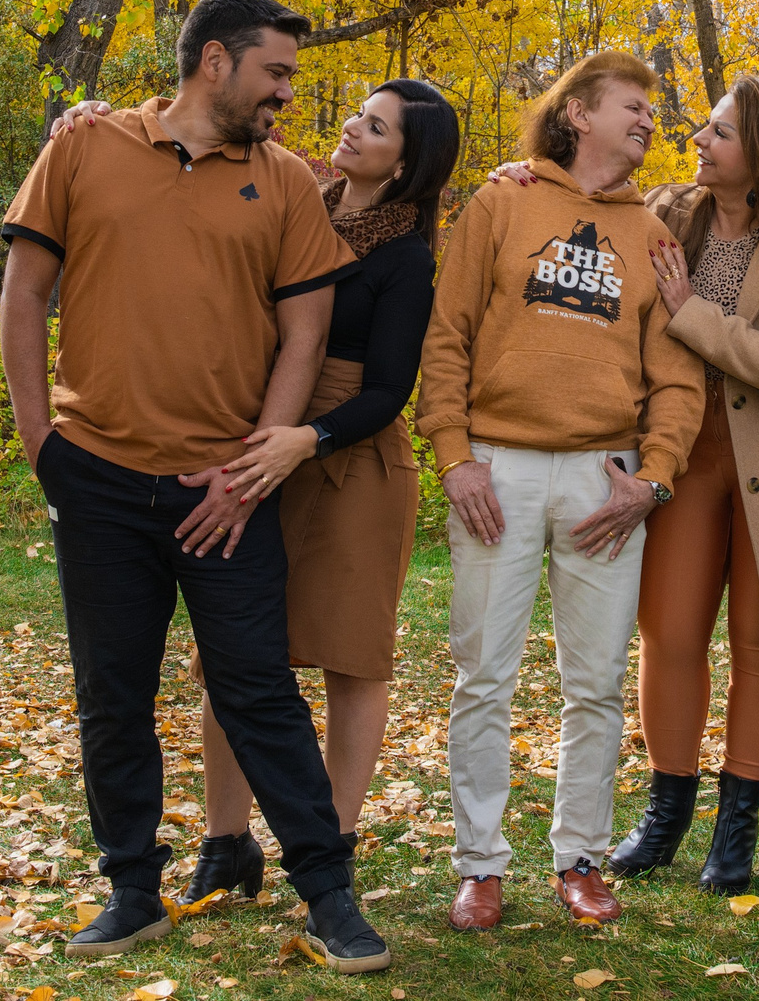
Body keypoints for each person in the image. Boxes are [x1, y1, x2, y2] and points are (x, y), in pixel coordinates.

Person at [0, 0, 390, 976]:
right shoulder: (84, 148)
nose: (287, 94)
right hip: (98, 478)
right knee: (113, 693)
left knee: (258, 690)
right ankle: (131, 888)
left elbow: (304, 329)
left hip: (226, 491)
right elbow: (25, 290)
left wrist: (258, 459)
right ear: (213, 61)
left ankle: (329, 895)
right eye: (276, 72)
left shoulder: (287, 183)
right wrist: (41, 438)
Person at [50, 79, 464, 904]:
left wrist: (305, 438)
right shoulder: (298, 195)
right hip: (250, 440)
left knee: (350, 657)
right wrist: (85, 120)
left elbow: (389, 389)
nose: (353, 124)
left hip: (346, 459)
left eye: (374, 125)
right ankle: (225, 838)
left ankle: (332, 845)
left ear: (406, 160)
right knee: (239, 653)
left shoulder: (407, 256)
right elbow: (188, 152)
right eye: (359, 110)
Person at [502, 78, 759, 895]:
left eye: (721, 130)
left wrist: (694, 312)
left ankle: (737, 828)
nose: (699, 137)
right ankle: (665, 814)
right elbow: (579, 203)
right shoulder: (666, 213)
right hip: (683, 462)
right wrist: (520, 174)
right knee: (668, 633)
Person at [418, 51, 705, 930]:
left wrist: (652, 480)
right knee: (484, 675)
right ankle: (481, 865)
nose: (649, 119)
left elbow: (678, 377)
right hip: (495, 469)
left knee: (597, 681)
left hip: (602, 477)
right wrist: (456, 456)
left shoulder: (652, 233)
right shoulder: (501, 203)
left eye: (653, 109)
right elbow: (447, 336)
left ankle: (580, 857)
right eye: (632, 104)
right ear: (578, 112)